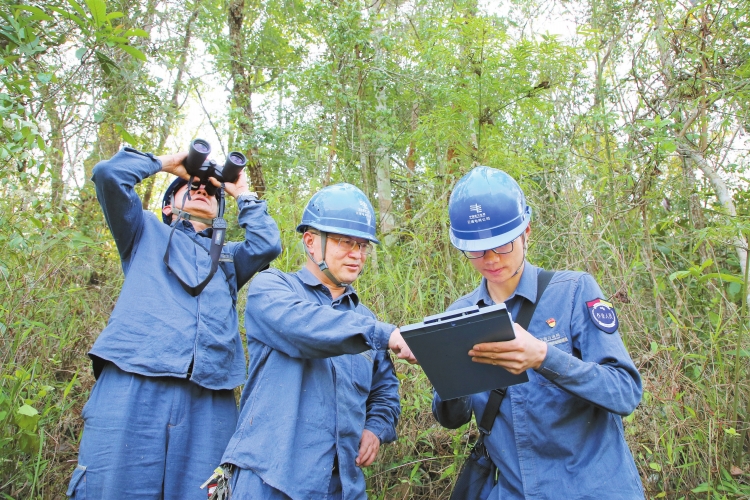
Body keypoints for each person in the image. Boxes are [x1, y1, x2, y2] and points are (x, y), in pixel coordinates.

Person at [66, 146, 282, 499]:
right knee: (112, 489)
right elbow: (109, 175)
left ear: (219, 212)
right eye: (192, 185)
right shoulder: (143, 232)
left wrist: (241, 192)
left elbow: (267, 244)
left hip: (209, 396)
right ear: (167, 206)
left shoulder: (227, 259)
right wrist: (169, 163)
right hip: (133, 382)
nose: (202, 190)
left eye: (211, 190)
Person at [432, 166, 645, 499]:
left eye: (502, 245)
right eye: (475, 249)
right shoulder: (459, 314)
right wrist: (445, 370)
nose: (490, 258)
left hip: (591, 488)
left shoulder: (574, 291)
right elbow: (452, 418)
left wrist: (544, 357)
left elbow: (624, 392)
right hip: (515, 490)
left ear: (526, 232)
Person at [219, 183, 417, 499]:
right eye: (345, 242)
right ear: (311, 242)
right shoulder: (271, 290)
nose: (357, 255)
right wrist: (384, 334)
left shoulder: (365, 319)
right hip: (270, 479)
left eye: (363, 245)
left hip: (342, 487)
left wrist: (376, 428)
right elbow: (309, 327)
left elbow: (384, 390)